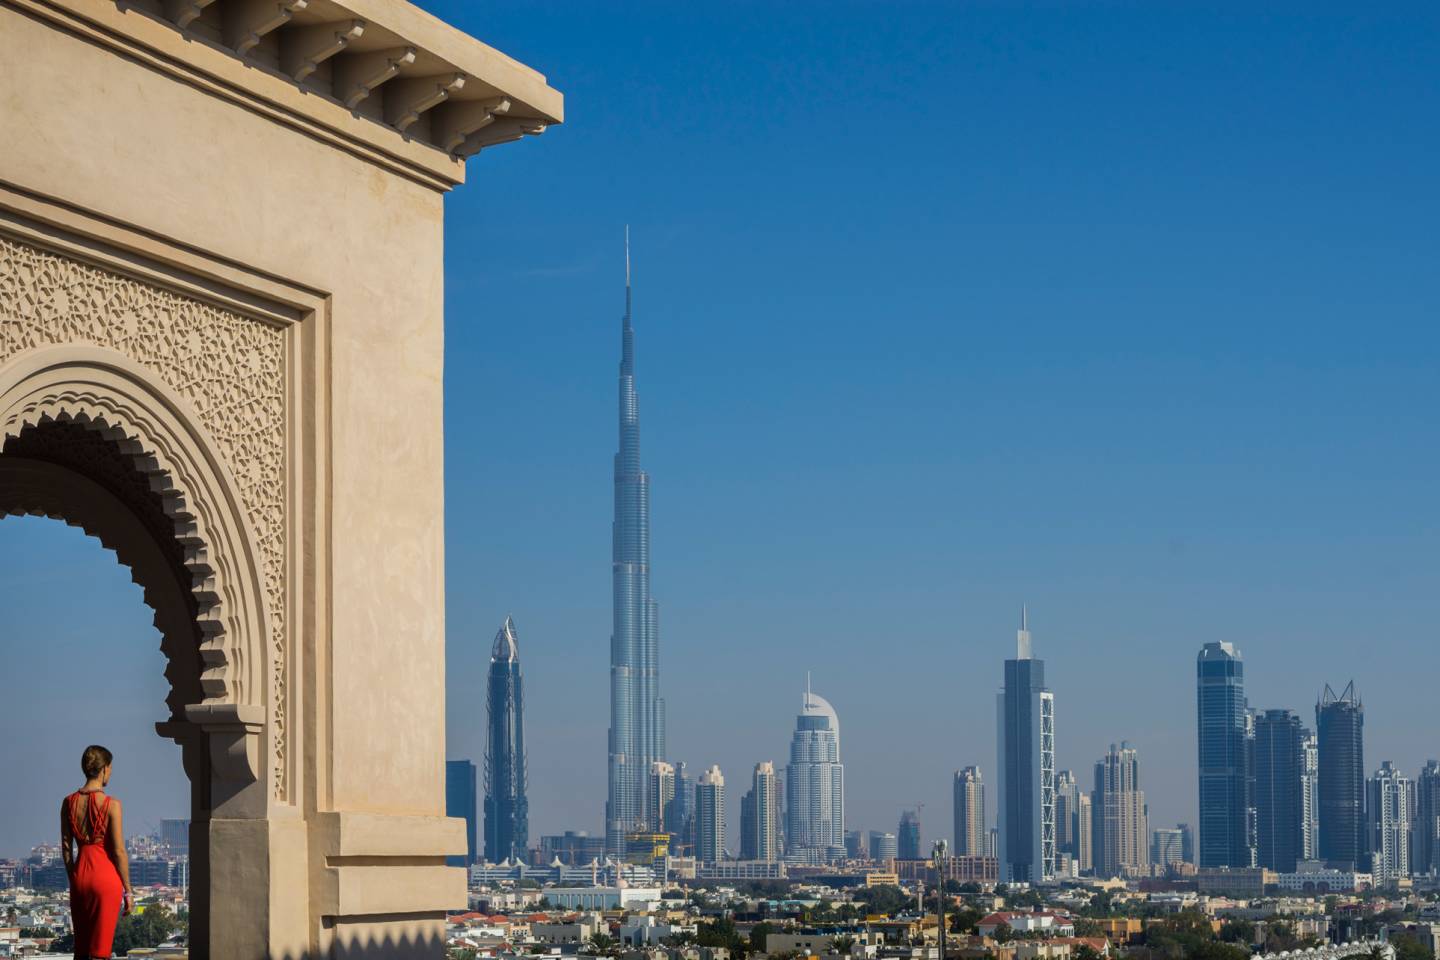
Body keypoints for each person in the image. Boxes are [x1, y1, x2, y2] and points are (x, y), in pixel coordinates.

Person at [61, 744, 133, 959]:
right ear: (103, 769)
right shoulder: (112, 804)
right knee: (100, 950)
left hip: (80, 878)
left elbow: (66, 849)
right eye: (110, 769)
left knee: (81, 947)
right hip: (105, 878)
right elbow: (119, 851)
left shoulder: (68, 802)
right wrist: (128, 890)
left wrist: (74, 877)